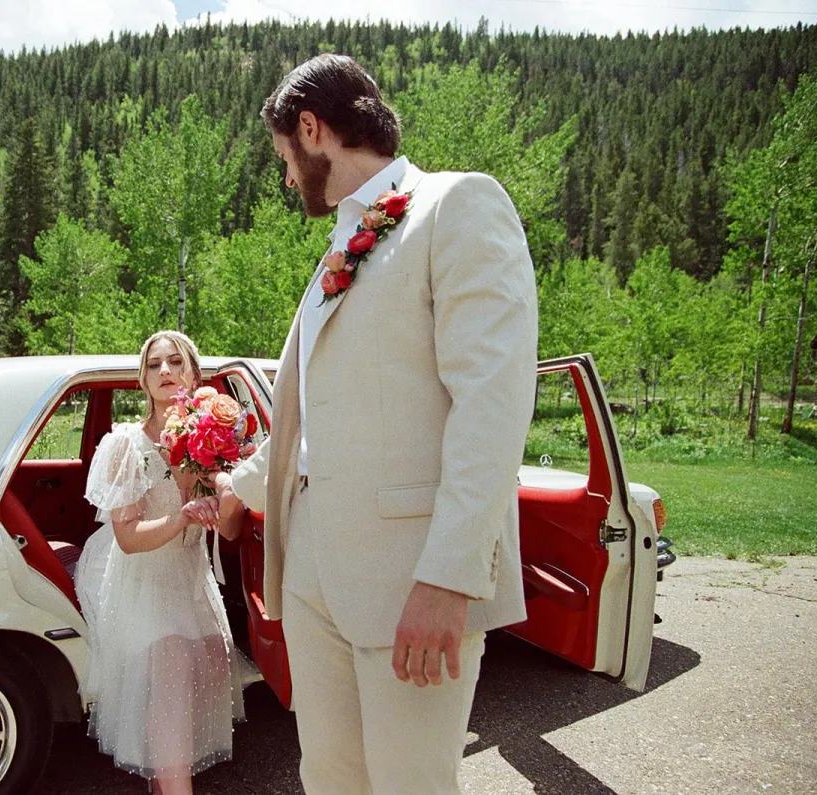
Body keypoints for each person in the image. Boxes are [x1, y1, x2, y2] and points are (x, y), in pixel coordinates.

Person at [218, 54, 539, 794]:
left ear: (312, 128)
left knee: (410, 783)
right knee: (329, 777)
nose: (287, 177)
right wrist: (232, 487)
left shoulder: (458, 206)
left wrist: (448, 577)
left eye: (284, 159)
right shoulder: (336, 249)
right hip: (313, 584)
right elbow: (312, 422)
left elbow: (490, 405)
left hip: (409, 583)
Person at [74, 330, 245, 795]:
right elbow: (127, 538)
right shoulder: (126, 445)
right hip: (142, 577)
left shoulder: (213, 440)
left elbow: (228, 531)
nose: (165, 371)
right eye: (154, 365)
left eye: (175, 362)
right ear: (144, 380)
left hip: (191, 576)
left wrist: (229, 488)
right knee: (170, 674)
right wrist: (182, 515)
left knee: (204, 675)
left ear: (194, 373)